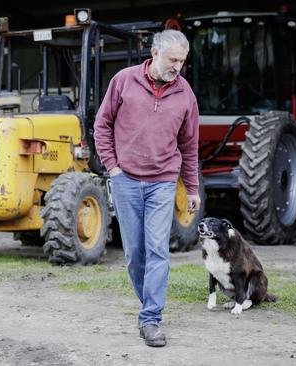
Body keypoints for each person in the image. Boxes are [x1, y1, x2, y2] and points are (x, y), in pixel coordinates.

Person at [93, 29, 200, 347]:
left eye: (182, 61)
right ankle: (147, 304)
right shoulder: (124, 81)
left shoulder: (185, 94)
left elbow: (189, 144)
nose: (177, 67)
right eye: (172, 60)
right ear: (154, 53)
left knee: (158, 250)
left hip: (163, 182)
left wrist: (191, 188)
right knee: (134, 253)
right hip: (126, 180)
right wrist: (112, 167)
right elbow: (102, 125)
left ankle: (151, 318)